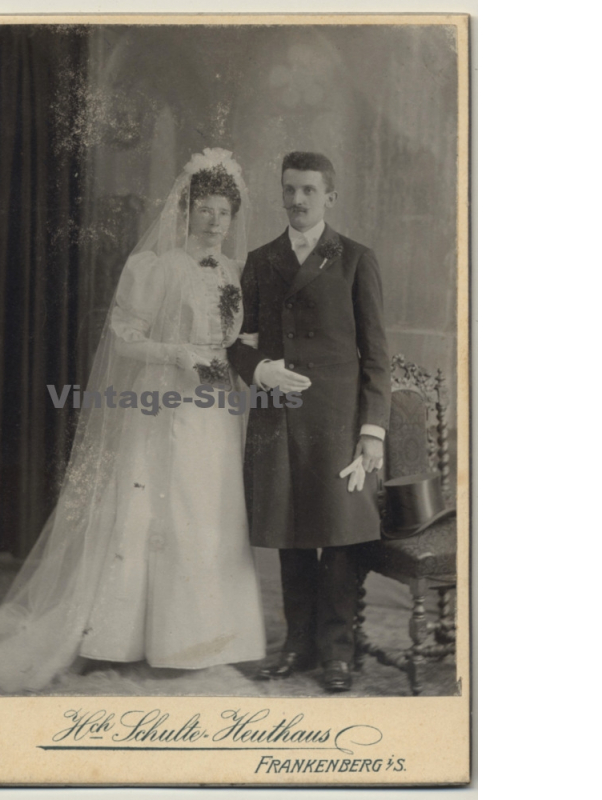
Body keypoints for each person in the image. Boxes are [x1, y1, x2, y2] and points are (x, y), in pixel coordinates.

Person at [0, 148, 266, 693]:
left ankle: (205, 638)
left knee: (208, 511)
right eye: (205, 210)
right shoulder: (157, 267)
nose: (214, 222)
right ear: (186, 212)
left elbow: (236, 341)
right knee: (160, 509)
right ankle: (128, 636)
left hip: (216, 409)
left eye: (223, 213)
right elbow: (125, 339)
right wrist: (177, 354)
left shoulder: (235, 272)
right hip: (164, 402)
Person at [227, 151, 390, 693]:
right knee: (290, 531)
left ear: (330, 197)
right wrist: (261, 369)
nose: (298, 200)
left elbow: (377, 356)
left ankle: (337, 650)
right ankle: (298, 645)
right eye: (290, 189)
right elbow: (237, 344)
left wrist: (372, 431)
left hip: (338, 421)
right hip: (278, 415)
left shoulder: (355, 259)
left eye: (309, 191)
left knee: (339, 536)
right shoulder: (260, 261)